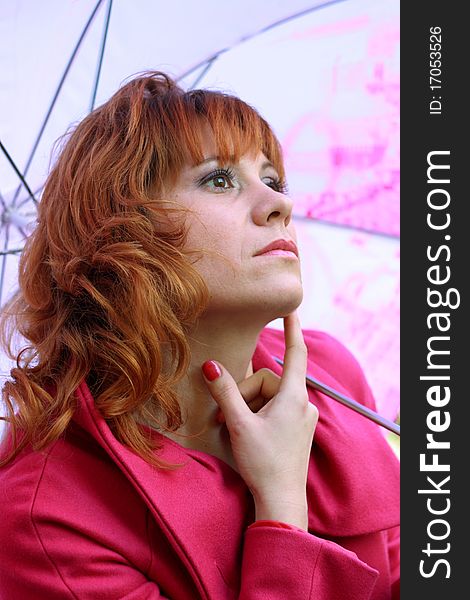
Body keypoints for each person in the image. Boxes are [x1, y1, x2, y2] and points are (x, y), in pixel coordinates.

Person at [0, 71, 399, 599]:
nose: (279, 205)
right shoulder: (48, 515)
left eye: (273, 179)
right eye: (219, 179)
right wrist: (281, 507)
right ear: (122, 230)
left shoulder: (329, 372)